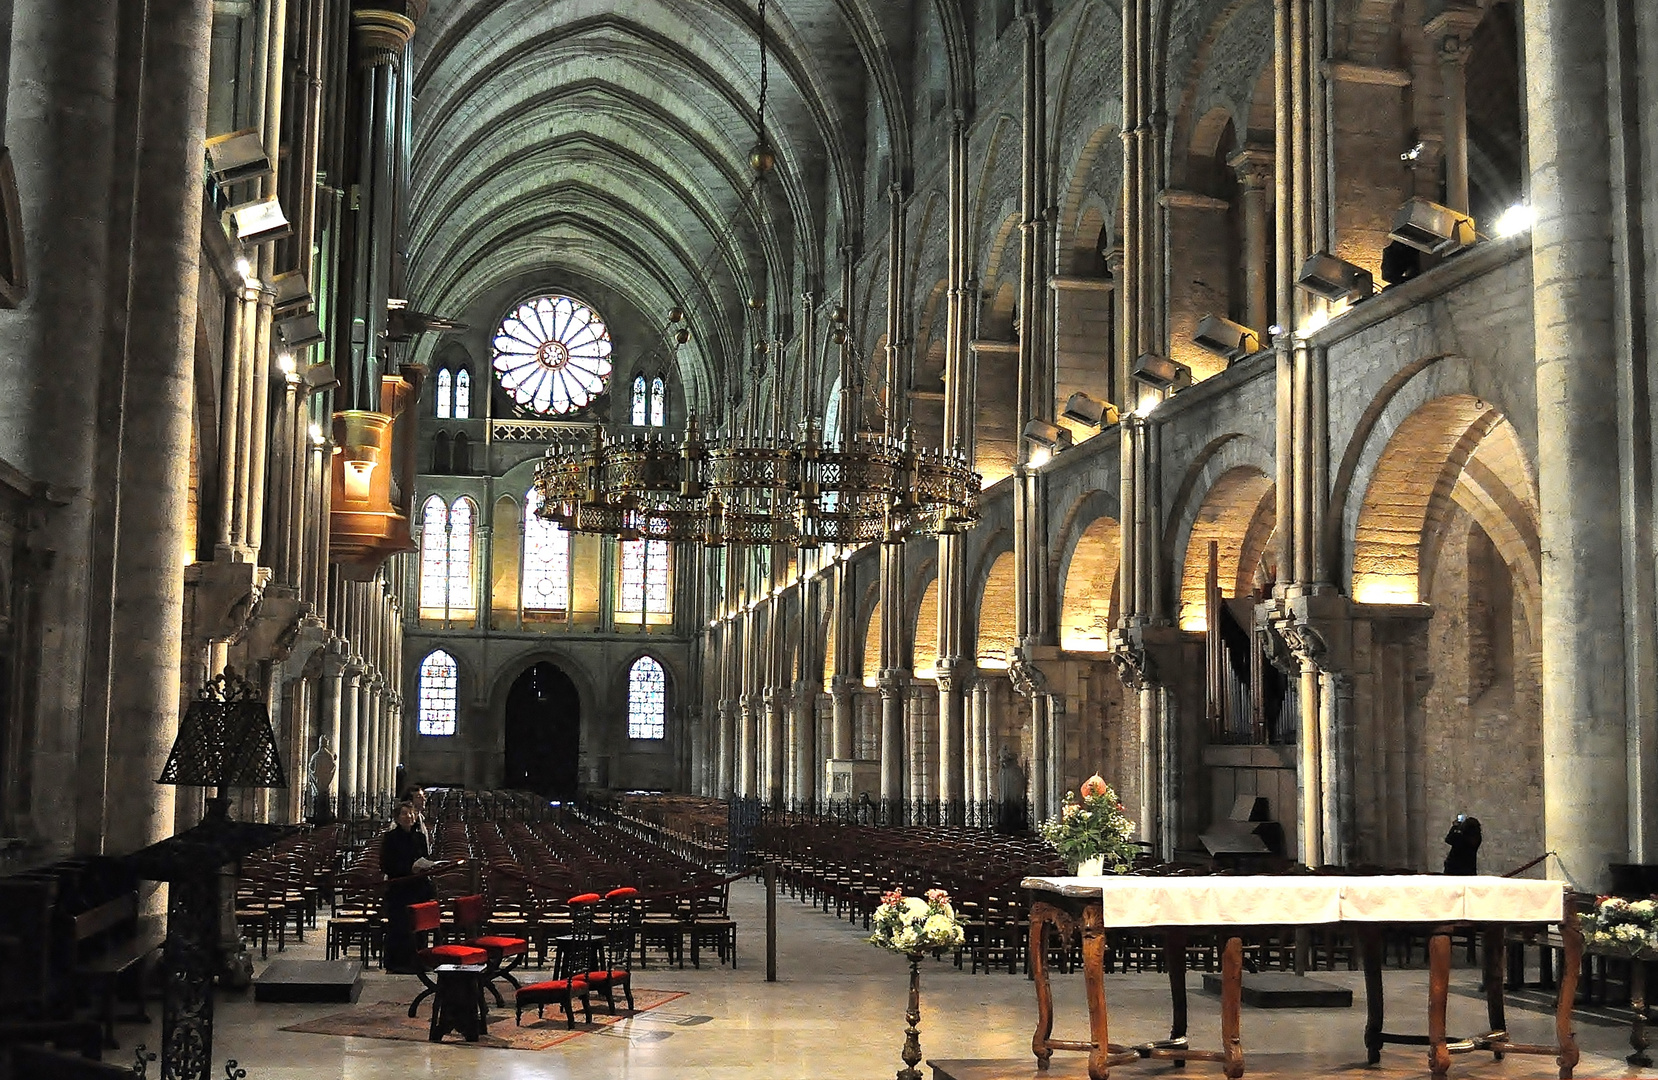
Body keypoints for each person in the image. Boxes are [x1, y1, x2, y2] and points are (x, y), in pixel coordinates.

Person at [380, 800, 437, 972]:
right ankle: (398, 963)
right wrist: (408, 868)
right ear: (397, 818)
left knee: (419, 927)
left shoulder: (419, 837)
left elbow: (424, 857)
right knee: (400, 927)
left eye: (411, 813)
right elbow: (386, 865)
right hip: (400, 889)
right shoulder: (390, 838)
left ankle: (419, 960)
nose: (409, 816)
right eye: (404, 813)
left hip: (418, 888)